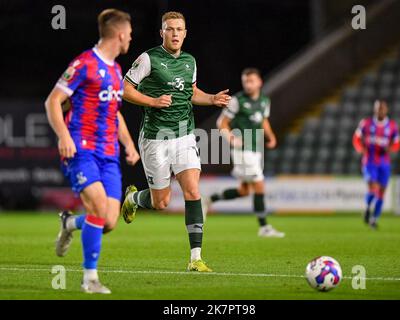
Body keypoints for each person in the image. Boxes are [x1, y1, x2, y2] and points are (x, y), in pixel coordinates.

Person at [120, 11, 231, 272]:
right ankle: (134, 200)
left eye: (179, 29)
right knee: (161, 203)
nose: (175, 34)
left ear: (185, 33)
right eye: (170, 29)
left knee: (193, 191)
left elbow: (191, 93)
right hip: (155, 138)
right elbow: (124, 89)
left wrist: (212, 98)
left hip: (184, 135)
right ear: (162, 33)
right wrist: (152, 101)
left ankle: (195, 258)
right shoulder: (149, 58)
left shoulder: (190, 61)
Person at [45, 9, 139, 293]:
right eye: (130, 34)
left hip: (108, 154)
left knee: (108, 221)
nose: (131, 39)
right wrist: (63, 135)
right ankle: (90, 279)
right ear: (121, 34)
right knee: (98, 208)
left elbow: (115, 114)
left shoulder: (115, 70)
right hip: (81, 149)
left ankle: (69, 223)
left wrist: (129, 144)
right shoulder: (84, 63)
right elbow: (53, 102)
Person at [205, 68, 285, 238]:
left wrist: (271, 136)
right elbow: (222, 123)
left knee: (244, 191)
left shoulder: (264, 100)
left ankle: (209, 199)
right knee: (259, 183)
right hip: (242, 150)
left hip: (256, 148)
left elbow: (263, 120)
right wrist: (231, 139)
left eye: (251, 81)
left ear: (259, 82)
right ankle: (264, 227)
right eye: (245, 81)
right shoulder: (237, 100)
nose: (248, 85)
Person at [352, 100, 400, 229]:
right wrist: (360, 148)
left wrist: (390, 148)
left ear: (386, 110)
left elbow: (397, 143)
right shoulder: (366, 123)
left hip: (384, 163)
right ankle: (368, 208)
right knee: (373, 188)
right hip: (369, 161)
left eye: (382, 108)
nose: (380, 111)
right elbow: (356, 138)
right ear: (375, 109)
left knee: (382, 192)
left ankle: (374, 219)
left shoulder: (392, 126)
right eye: (378, 108)